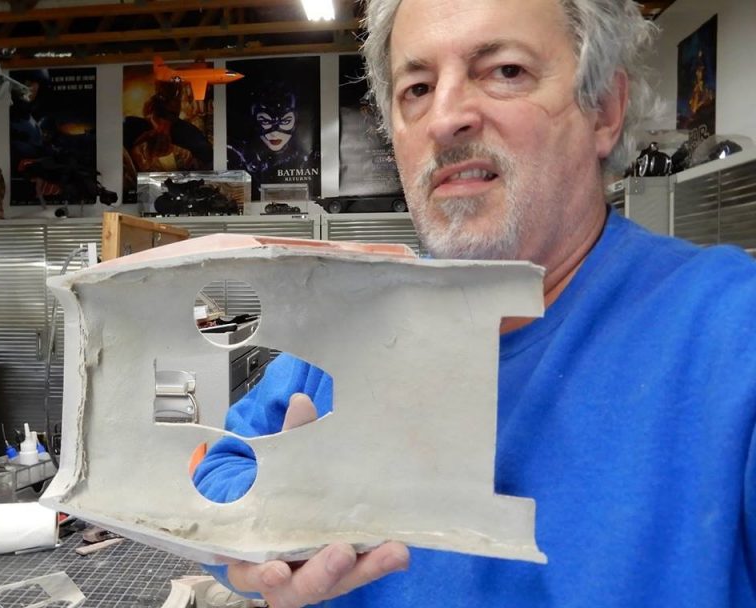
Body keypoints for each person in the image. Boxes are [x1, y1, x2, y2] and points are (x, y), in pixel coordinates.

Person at [193, 0, 756, 605]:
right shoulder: (356, 314)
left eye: (505, 71)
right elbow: (219, 472)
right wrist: (260, 532)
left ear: (604, 110)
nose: (445, 118)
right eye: (417, 88)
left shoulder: (730, 331)